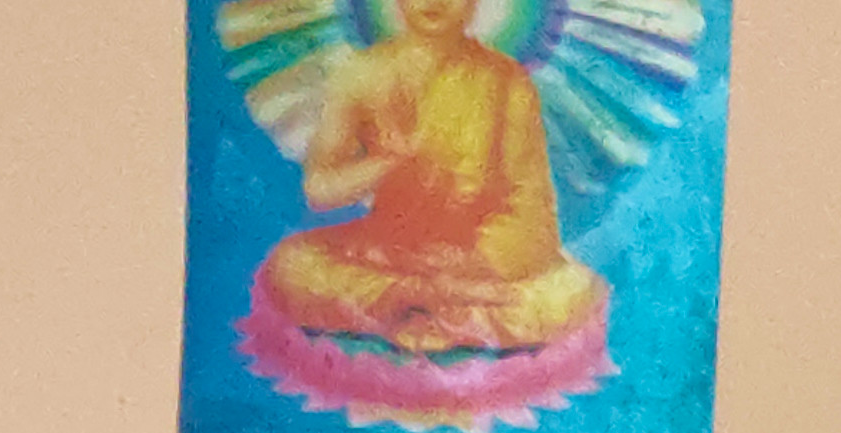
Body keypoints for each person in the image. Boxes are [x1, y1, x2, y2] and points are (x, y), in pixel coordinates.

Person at [251, 0, 610, 364]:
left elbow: (531, 210)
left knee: (577, 292)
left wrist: (471, 265)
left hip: (475, 260)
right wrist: (386, 162)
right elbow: (320, 190)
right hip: (387, 252)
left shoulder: (507, 82)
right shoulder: (361, 73)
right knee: (290, 266)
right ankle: (428, 307)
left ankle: (416, 314)